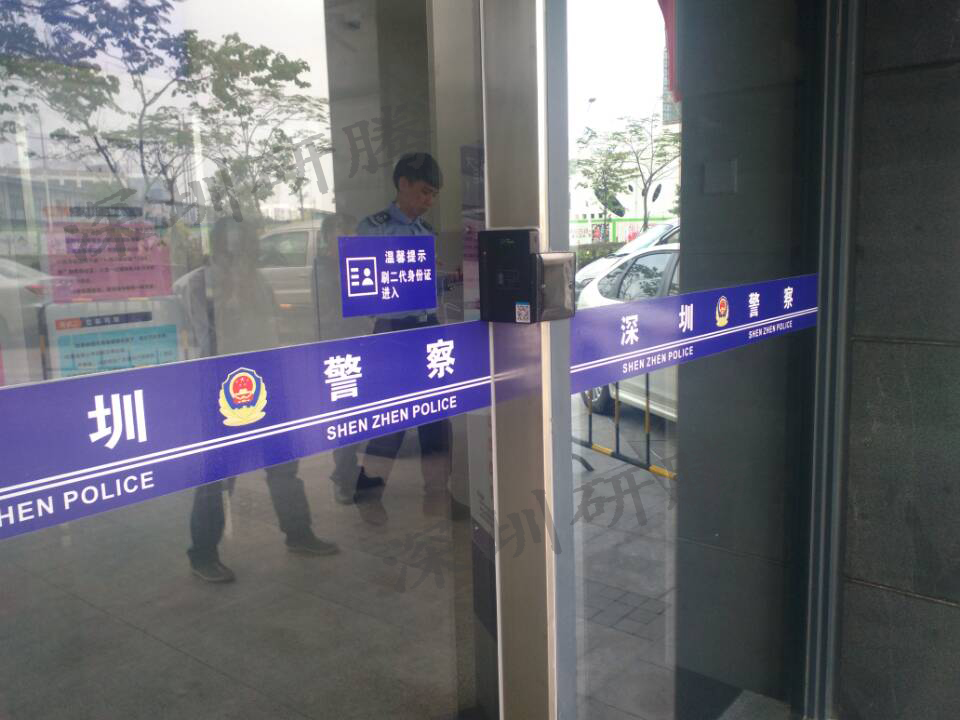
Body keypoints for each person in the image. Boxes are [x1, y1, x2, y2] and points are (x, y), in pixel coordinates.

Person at [187, 216, 338, 584]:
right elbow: (208, 337)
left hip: (267, 376)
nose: (239, 255)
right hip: (225, 382)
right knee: (219, 471)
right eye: (231, 248)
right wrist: (232, 296)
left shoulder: (259, 280)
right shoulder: (201, 283)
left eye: (244, 248)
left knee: (283, 460)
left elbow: (271, 328)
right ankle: (203, 553)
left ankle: (298, 533)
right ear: (218, 247)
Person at [343, 152, 454, 524]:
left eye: (433, 195)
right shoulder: (372, 229)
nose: (428, 201)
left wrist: (445, 278)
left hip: (426, 326)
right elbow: (364, 282)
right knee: (392, 415)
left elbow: (424, 285)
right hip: (392, 331)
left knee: (436, 414)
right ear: (403, 184)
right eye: (424, 192)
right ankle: (368, 494)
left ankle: (437, 493)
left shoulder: (426, 232)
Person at [313, 213, 385, 505]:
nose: (350, 239)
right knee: (345, 416)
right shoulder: (324, 271)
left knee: (355, 415)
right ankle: (343, 480)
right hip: (338, 350)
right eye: (343, 234)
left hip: (355, 345)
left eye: (353, 233)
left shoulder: (346, 266)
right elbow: (331, 316)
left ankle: (350, 472)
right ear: (328, 238)